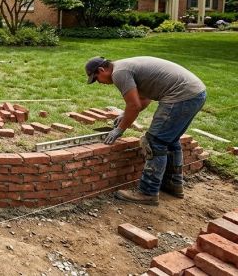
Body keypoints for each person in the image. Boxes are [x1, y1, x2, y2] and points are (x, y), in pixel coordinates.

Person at [85, 56, 206, 205]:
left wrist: (120, 129)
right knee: (170, 140)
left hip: (180, 97)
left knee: (154, 142)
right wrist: (125, 115)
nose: (100, 83)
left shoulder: (119, 73)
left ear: (101, 70)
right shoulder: (125, 66)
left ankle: (148, 193)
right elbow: (144, 99)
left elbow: (134, 106)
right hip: (196, 93)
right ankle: (173, 185)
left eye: (97, 78)